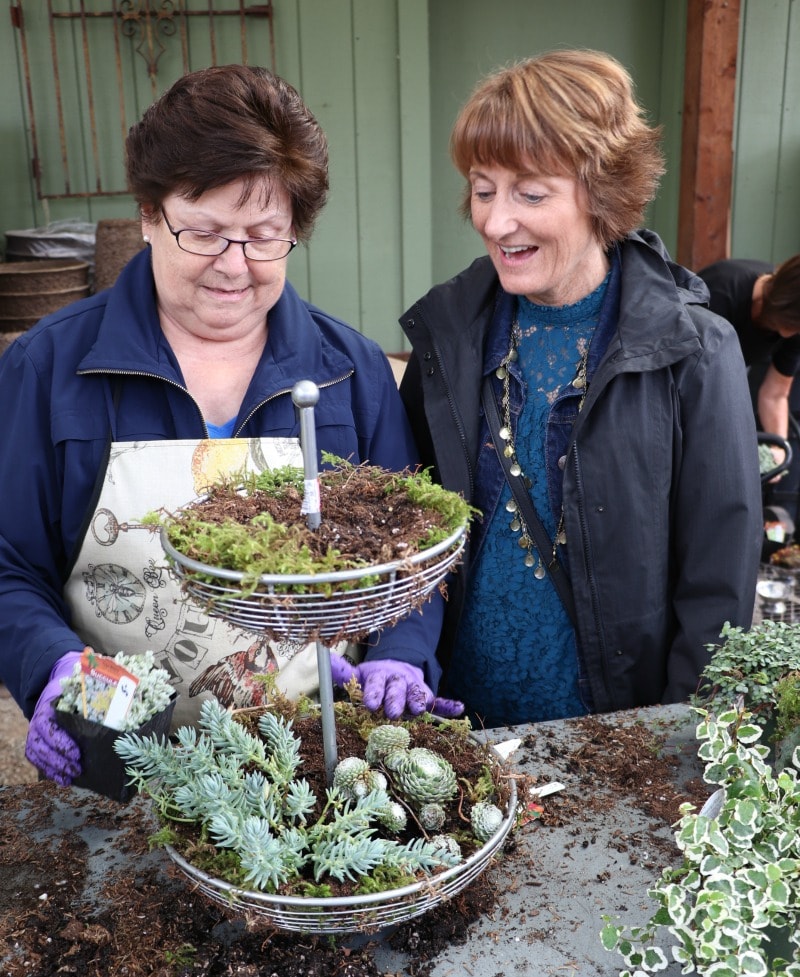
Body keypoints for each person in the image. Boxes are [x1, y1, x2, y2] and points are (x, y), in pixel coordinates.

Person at [0, 64, 458, 788]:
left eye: (263, 237)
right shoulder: (48, 367)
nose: (233, 266)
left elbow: (410, 561)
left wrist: (401, 652)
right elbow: (9, 564)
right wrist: (49, 663)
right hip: (120, 765)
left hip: (313, 769)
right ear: (149, 215)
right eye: (205, 233)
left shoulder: (354, 372)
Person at [394, 49, 763, 729]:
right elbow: (414, 536)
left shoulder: (694, 352)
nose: (497, 222)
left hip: (614, 738)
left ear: (602, 192)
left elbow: (718, 587)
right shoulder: (446, 336)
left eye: (531, 193)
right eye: (483, 189)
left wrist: (679, 744)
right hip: (455, 729)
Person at [696, 255, 800, 442]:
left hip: (726, 381)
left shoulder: (793, 329)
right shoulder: (722, 291)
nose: (793, 333)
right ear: (785, 304)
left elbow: (775, 395)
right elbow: (694, 382)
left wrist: (777, 448)